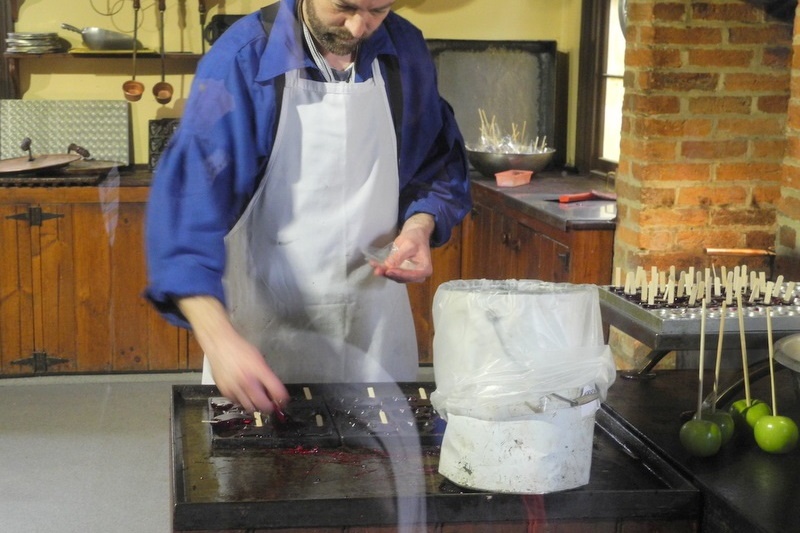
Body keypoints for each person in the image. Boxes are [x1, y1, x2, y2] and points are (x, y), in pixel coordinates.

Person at [145, 0, 471, 414]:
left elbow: (436, 162)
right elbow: (185, 215)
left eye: (379, 10)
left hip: (375, 338)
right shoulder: (242, 60)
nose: (358, 27)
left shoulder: (404, 49)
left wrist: (419, 226)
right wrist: (218, 338)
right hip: (264, 345)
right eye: (344, 7)